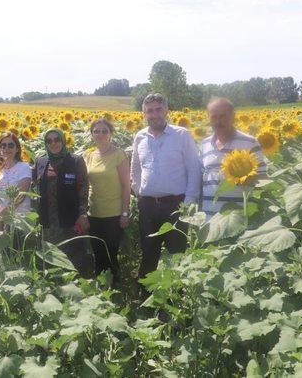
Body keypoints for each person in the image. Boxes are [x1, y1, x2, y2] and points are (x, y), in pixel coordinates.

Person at [131, 93, 200, 281]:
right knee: (148, 252)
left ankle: (174, 301)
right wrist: (139, 191)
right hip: (147, 206)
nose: (154, 114)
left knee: (176, 254)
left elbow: (194, 168)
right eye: (149, 111)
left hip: (175, 206)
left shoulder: (181, 135)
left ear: (166, 110)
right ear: (144, 113)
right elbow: (135, 167)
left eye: (158, 109)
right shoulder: (140, 137)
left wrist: (189, 202)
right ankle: (147, 297)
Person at [33, 128, 90, 276]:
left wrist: (83, 214)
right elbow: (33, 188)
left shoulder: (76, 160)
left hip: (71, 219)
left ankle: (77, 289)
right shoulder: (41, 161)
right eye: (49, 141)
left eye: (57, 139)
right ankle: (55, 287)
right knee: (52, 256)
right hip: (48, 220)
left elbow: (83, 189)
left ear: (63, 140)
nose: (53, 143)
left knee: (74, 258)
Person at [201, 97, 267, 220]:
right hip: (209, 219)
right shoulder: (204, 145)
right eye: (214, 117)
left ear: (233, 116)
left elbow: (262, 179)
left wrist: (244, 178)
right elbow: (202, 181)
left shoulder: (250, 142)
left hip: (241, 218)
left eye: (223, 116)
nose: (218, 121)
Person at [84, 118, 130, 286]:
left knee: (111, 254)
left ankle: (115, 289)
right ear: (92, 135)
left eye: (104, 131)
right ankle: (101, 290)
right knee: (97, 254)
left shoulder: (119, 154)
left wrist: (125, 213)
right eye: (96, 131)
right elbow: (86, 185)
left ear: (111, 134)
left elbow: (126, 186)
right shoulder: (89, 156)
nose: (100, 134)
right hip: (94, 213)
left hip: (114, 214)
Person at [0, 132, 32, 216]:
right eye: (3, 145)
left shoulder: (24, 167)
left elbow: (20, 196)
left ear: (17, 149)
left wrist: (3, 214)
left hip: (19, 219)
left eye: (11, 145)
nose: (6, 148)